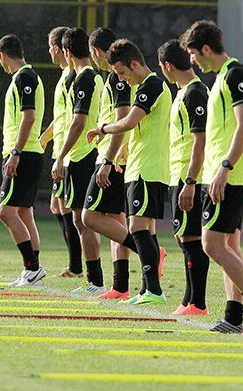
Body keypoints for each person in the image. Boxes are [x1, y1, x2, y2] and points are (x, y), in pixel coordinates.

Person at [180, 20, 243, 334]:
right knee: (228, 245)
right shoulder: (221, 78)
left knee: (212, 245)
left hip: (228, 176)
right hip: (219, 174)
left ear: (206, 49)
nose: (192, 60)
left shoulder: (236, 75)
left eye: (194, 54)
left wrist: (225, 167)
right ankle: (234, 316)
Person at [87, 38, 171, 305]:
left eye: (122, 73)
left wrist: (102, 129)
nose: (122, 79)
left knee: (136, 228)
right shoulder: (146, 86)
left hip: (148, 168)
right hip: (140, 166)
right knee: (140, 227)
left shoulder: (152, 85)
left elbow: (129, 121)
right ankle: (149, 289)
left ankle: (154, 291)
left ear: (135, 64)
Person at [81, 27, 135, 300]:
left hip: (113, 159)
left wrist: (107, 160)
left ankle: (147, 251)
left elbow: (122, 120)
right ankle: (121, 286)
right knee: (115, 219)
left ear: (97, 52)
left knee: (89, 216)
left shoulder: (117, 77)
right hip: (116, 157)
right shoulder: (115, 77)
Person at [157, 38, 210, 315]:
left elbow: (200, 140)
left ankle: (197, 302)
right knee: (182, 237)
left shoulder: (195, 93)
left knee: (191, 238)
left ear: (167, 66)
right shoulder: (182, 92)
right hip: (177, 175)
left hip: (192, 177)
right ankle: (189, 299)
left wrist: (190, 181)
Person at [51, 27, 105, 293]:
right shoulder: (80, 78)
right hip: (78, 155)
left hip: (84, 155)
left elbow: (79, 121)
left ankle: (95, 280)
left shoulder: (85, 79)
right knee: (80, 219)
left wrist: (60, 155)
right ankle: (91, 277)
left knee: (84, 220)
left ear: (67, 51)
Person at [0, 33, 47, 286]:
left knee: (5, 212)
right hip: (28, 152)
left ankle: (32, 267)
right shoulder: (26, 77)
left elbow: (29, 117)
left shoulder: (24, 77)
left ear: (3, 55)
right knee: (24, 213)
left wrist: (15, 152)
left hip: (24, 153)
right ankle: (32, 270)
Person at [39, 27, 83, 278]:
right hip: (62, 150)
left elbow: (75, 118)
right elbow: (61, 118)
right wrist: (45, 138)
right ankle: (75, 263)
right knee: (58, 205)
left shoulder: (73, 78)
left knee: (69, 208)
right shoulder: (65, 76)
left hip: (72, 152)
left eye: (49, 46)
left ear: (58, 49)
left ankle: (77, 265)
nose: (49, 52)